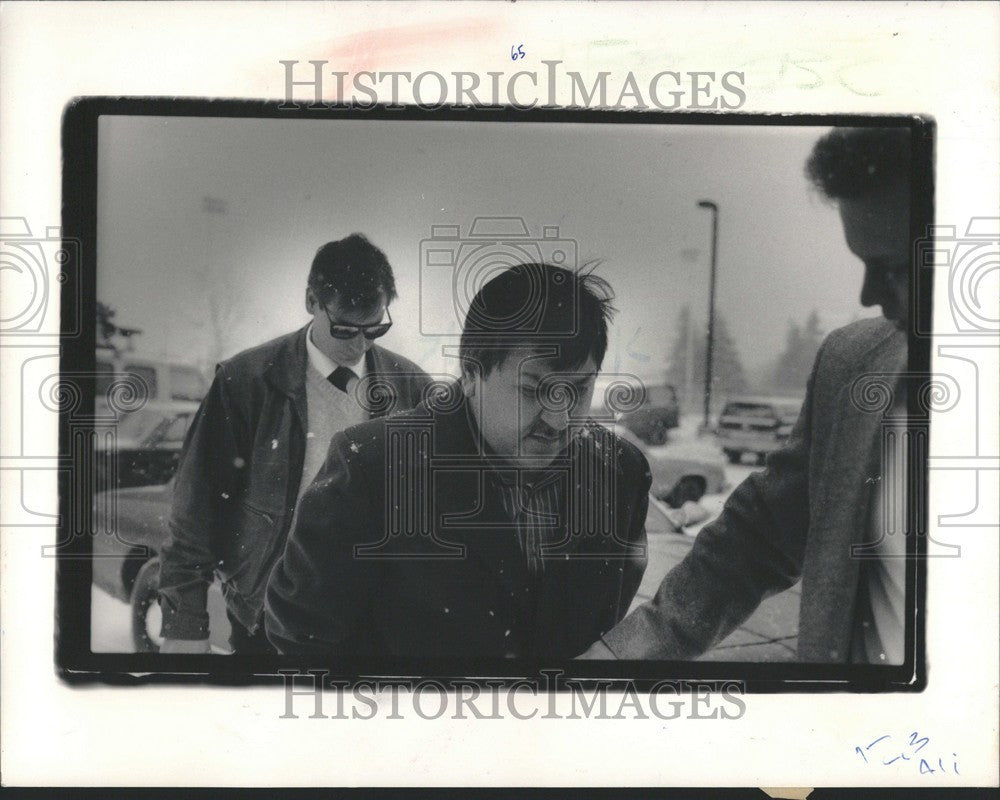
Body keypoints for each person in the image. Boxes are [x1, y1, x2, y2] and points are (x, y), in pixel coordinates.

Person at [580, 126, 915, 664]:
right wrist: (624, 654)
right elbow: (756, 538)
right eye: (863, 264)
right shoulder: (851, 367)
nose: (869, 295)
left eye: (895, 268)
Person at [265, 263, 651, 658]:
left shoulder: (621, 472)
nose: (559, 418)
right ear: (470, 374)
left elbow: (605, 624)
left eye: (579, 388)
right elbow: (304, 639)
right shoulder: (375, 467)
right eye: (534, 389)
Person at [158, 234, 432, 653]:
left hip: (374, 619)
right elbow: (196, 503)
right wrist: (184, 621)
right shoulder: (246, 381)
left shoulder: (412, 388)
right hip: (268, 615)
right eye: (344, 328)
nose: (360, 344)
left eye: (374, 328)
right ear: (311, 301)